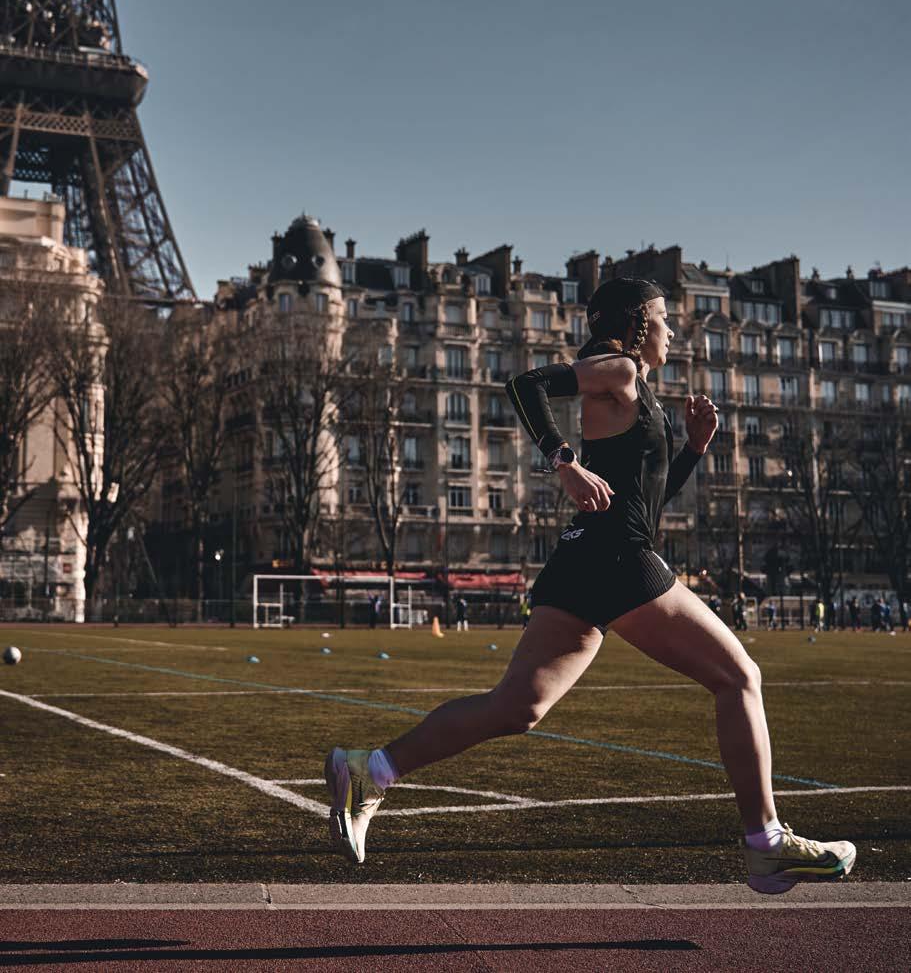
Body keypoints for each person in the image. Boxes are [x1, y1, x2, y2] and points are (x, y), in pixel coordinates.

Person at [323, 276, 855, 893]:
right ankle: (766, 843)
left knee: (517, 707)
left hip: (587, 559)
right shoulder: (619, 368)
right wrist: (564, 460)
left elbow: (644, 503)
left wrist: (692, 450)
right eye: (663, 319)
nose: (671, 331)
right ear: (636, 324)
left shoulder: (636, 387)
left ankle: (371, 771)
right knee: (738, 677)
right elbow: (521, 386)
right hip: (619, 559)